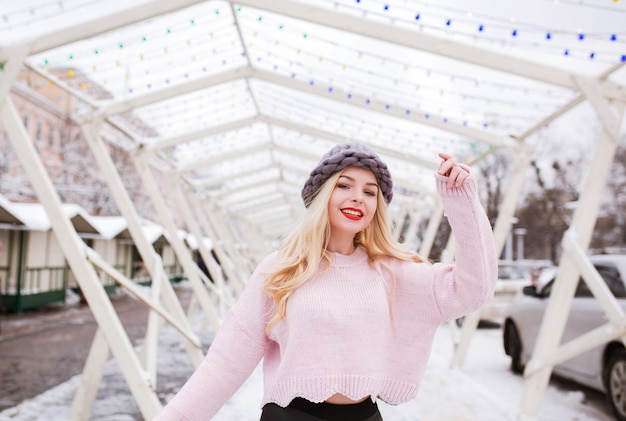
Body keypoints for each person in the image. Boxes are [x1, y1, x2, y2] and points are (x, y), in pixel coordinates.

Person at [155, 142, 497, 420]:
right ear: (322, 196)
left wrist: (461, 202)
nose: (357, 198)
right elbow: (224, 364)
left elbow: (474, 289)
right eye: (344, 185)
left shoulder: (392, 272)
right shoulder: (282, 269)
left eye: (370, 191)